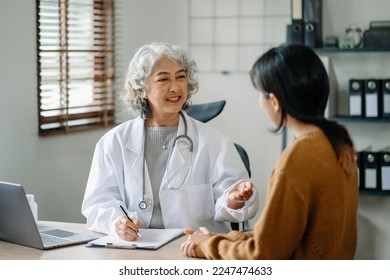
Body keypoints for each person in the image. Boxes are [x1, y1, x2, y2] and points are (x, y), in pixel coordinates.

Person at [180, 43, 359, 260]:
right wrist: (221, 239)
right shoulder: (338, 141)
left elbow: (262, 254)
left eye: (259, 94)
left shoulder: (299, 158)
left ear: (274, 101)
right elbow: (279, 236)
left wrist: (208, 245)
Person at [81, 42, 259, 241]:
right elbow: (97, 203)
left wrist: (234, 200)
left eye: (181, 77)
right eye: (163, 79)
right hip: (138, 246)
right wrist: (116, 223)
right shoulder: (113, 142)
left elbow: (232, 200)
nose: (175, 87)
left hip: (195, 246)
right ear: (141, 89)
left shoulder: (214, 141)